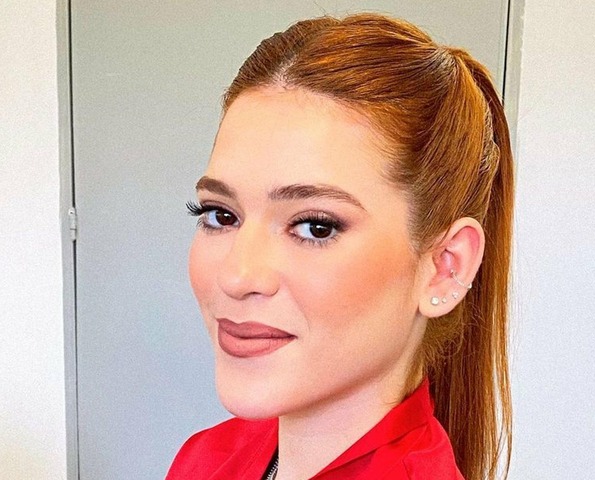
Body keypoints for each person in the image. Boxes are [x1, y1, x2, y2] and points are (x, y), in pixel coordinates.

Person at [167, 12, 513, 480]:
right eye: (220, 215)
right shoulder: (208, 457)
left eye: (315, 227)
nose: (236, 275)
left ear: (444, 267)